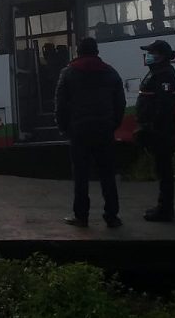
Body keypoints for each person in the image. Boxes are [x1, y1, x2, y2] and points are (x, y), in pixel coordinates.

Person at [55, 37, 126, 228]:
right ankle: (112, 216)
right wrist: (113, 124)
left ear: (78, 52)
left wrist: (64, 128)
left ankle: (81, 216)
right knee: (107, 175)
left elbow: (60, 105)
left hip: (79, 131)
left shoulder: (68, 73)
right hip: (104, 130)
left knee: (81, 175)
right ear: (97, 51)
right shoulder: (110, 73)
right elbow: (120, 103)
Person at [135, 39, 175, 222]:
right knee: (161, 170)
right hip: (157, 130)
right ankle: (163, 207)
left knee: (164, 171)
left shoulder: (165, 75)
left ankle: (165, 210)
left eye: (151, 53)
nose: (148, 56)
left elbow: (164, 106)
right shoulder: (157, 72)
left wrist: (151, 127)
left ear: (160, 56)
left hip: (161, 131)